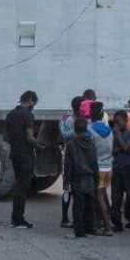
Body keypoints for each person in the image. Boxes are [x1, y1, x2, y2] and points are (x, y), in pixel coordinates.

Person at [6, 90, 41, 229]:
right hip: (26, 155)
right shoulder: (28, 115)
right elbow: (30, 137)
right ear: (30, 100)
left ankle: (16, 218)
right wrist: (39, 147)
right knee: (23, 188)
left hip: (14, 154)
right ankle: (18, 219)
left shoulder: (10, 114)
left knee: (19, 185)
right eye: (34, 103)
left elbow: (6, 136)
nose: (34, 106)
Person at [64, 118, 99, 238]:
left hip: (77, 178)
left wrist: (66, 181)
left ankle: (79, 230)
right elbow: (95, 163)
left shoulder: (71, 145)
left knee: (78, 205)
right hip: (90, 177)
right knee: (90, 204)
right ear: (86, 129)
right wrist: (97, 179)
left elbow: (68, 165)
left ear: (74, 129)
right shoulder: (91, 144)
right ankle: (90, 228)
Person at [110, 110, 130, 233]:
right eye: (115, 122)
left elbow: (126, 148)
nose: (116, 125)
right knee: (116, 197)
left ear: (125, 121)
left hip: (128, 168)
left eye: (119, 122)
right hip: (117, 168)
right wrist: (120, 148)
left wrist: (118, 137)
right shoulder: (113, 136)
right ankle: (117, 222)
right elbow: (113, 150)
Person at [59, 96, 84, 228]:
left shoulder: (68, 120)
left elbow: (65, 135)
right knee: (78, 188)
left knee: (67, 188)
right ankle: (78, 219)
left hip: (68, 156)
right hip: (81, 158)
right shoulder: (83, 122)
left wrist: (60, 123)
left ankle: (64, 218)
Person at [89, 102, 113, 236]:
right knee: (103, 194)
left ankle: (107, 227)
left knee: (99, 198)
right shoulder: (109, 129)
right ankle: (100, 223)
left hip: (97, 168)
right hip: (108, 167)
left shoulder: (90, 129)